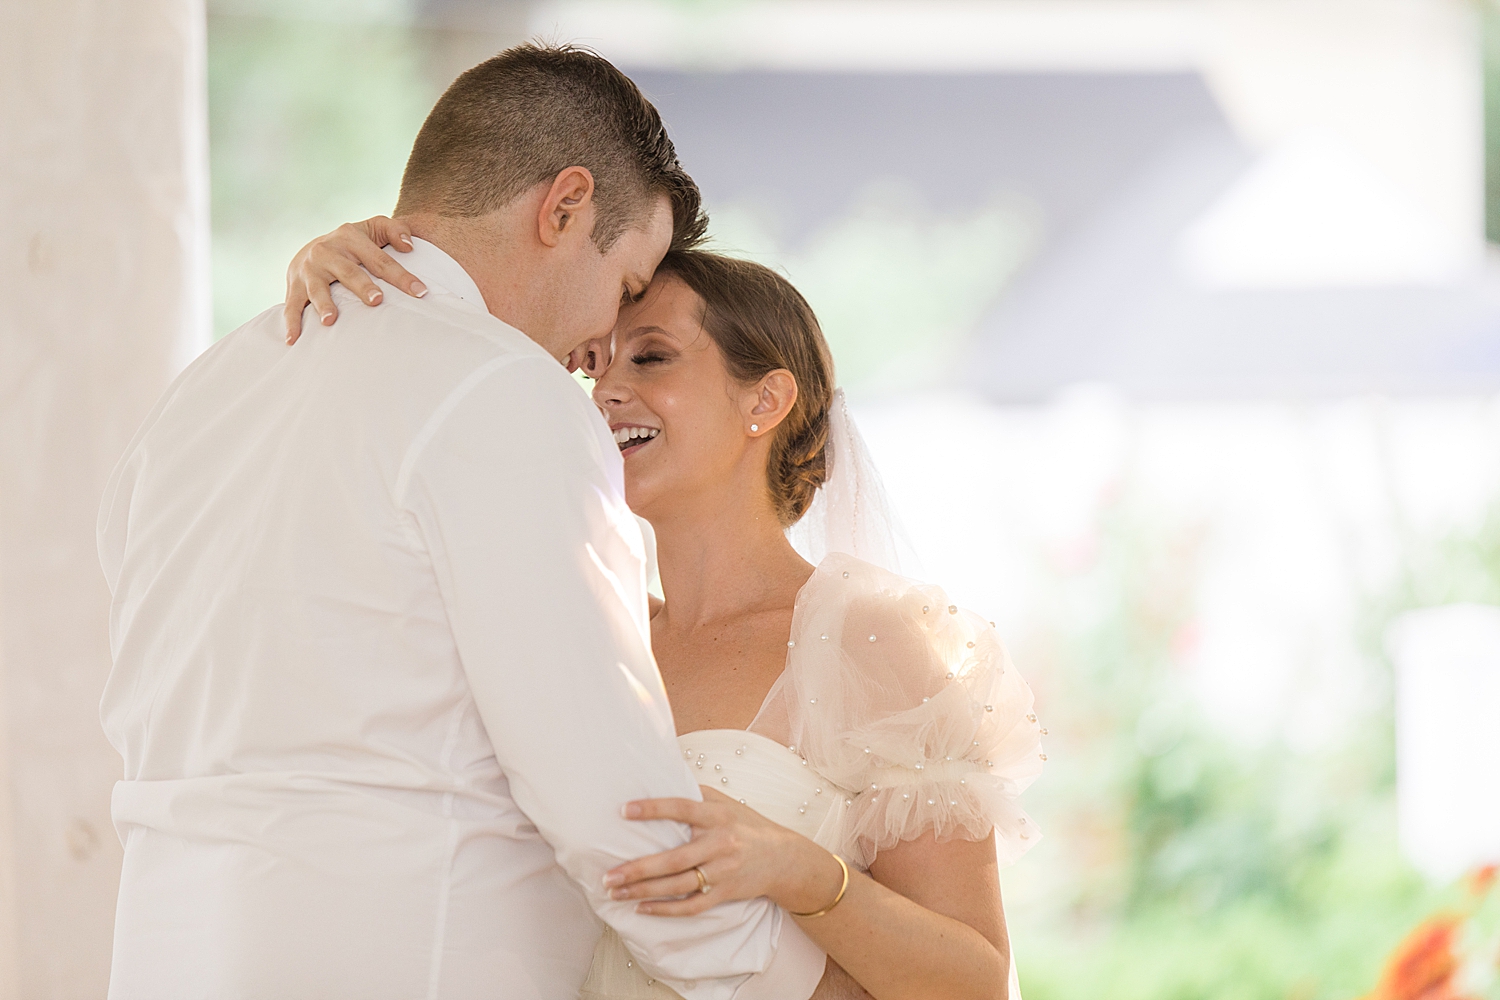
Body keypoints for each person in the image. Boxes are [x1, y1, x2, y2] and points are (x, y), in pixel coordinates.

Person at [96, 45, 826, 1000]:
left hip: (162, 958)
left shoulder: (202, 394)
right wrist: (806, 986)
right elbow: (614, 810)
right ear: (563, 208)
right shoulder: (505, 395)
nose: (597, 351)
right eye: (624, 283)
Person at [282, 220, 1047, 999]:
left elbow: (975, 983)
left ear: (766, 399)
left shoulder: (864, 641)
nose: (607, 391)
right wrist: (353, 274)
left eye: (651, 356)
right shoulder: (590, 632)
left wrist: (801, 870)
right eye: (598, 366)